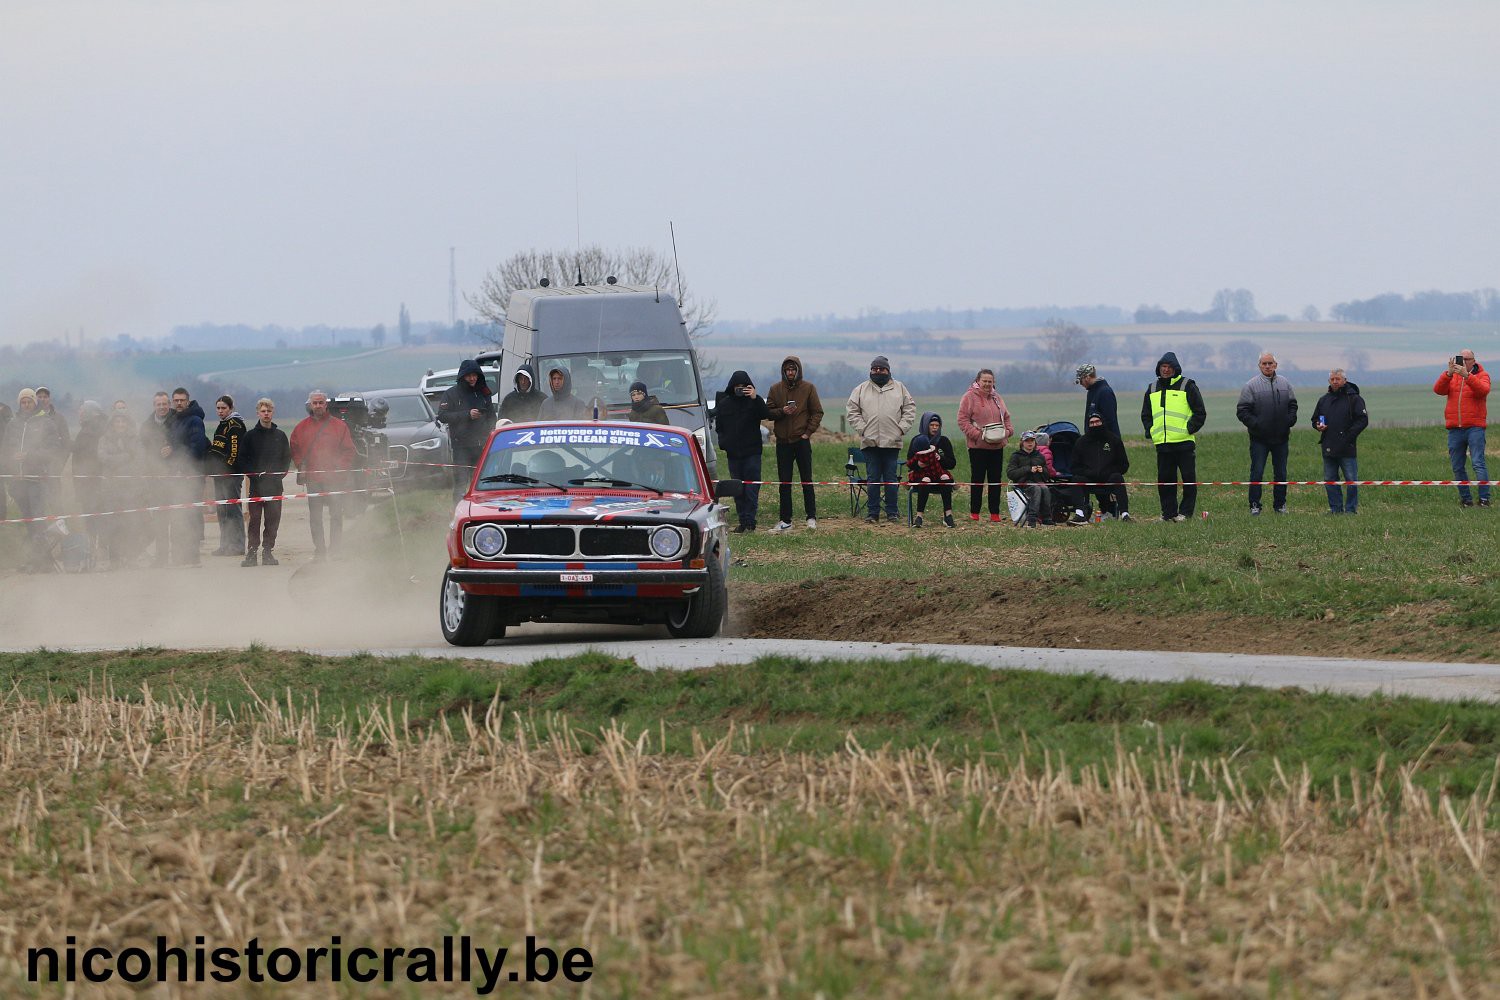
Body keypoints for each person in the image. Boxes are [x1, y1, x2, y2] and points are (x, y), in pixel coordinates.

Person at [2, 389, 67, 571]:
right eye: (23, 402)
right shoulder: (13, 424)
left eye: (29, 401)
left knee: (39, 520)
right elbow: (5, 450)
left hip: (37, 479)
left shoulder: (45, 422)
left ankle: (42, 561)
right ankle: (37, 559)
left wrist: (29, 455)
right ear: (19, 404)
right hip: (18, 481)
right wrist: (10, 463)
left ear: (34, 402)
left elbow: (54, 450)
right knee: (28, 520)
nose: (26, 405)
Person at [846, 356, 916, 524]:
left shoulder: (899, 388)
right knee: (873, 479)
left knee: (891, 479)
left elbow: (910, 409)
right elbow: (852, 411)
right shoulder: (861, 389)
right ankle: (873, 513)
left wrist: (900, 429)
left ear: (888, 370)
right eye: (874, 369)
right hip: (870, 443)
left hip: (892, 443)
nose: (877, 371)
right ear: (870, 370)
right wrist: (863, 429)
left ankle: (892, 512)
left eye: (881, 369)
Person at [291, 389, 357, 561]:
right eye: (315, 403)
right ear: (310, 405)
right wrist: (301, 466)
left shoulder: (339, 426)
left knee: (336, 515)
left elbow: (349, 450)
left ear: (326, 404)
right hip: (313, 480)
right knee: (315, 517)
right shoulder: (300, 427)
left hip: (334, 480)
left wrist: (339, 467)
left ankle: (335, 550)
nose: (318, 405)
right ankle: (319, 551)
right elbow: (295, 449)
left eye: (321, 402)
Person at [1141, 352, 1207, 522]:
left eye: (1169, 367)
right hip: (1162, 444)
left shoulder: (1187, 385)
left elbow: (1200, 412)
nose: (1166, 370)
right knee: (1165, 482)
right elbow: (1146, 414)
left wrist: (1188, 429)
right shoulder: (1152, 388)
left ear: (1175, 369)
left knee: (1188, 480)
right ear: (1159, 368)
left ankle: (1185, 513)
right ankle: (1168, 513)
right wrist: (1151, 431)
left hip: (1184, 442)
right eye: (1163, 367)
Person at [1236, 353, 1298, 515]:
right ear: (1259, 366)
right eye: (1264, 363)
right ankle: (1255, 505)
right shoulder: (1251, 385)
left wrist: (1289, 420)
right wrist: (1257, 425)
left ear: (1276, 365)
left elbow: (1293, 404)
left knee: (1281, 473)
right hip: (1259, 440)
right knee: (1257, 472)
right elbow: (1242, 411)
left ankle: (1280, 505)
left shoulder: (1285, 383)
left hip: (1281, 438)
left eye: (1270, 363)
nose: (1267, 366)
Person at [766, 355, 823, 532]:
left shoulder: (808, 388)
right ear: (783, 371)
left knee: (807, 480)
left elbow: (817, 412)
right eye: (787, 370)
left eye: (793, 369)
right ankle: (785, 520)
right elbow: (768, 412)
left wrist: (807, 433)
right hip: (783, 442)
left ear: (798, 371)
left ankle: (811, 517)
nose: (790, 372)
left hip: (801, 441)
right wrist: (781, 411)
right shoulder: (775, 389)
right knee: (784, 482)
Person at [714, 370, 770, 533]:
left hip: (752, 453)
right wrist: (724, 443)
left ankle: (750, 520)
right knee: (737, 489)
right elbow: (719, 428)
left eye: (743, 386)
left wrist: (755, 397)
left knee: (752, 488)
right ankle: (742, 520)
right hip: (733, 454)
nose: (740, 389)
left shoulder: (754, 402)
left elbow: (765, 414)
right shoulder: (724, 404)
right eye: (737, 386)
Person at [1434, 349, 1490, 508]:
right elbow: (1438, 390)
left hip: (1475, 427)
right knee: (1457, 466)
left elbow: (1483, 391)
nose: (1463, 362)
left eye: (1467, 359)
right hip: (1455, 429)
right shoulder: (1453, 377)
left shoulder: (1482, 375)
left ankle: (1484, 499)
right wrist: (1448, 374)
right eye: (1461, 359)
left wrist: (1467, 376)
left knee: (1478, 463)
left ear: (1474, 360)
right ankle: (1466, 500)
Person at [436, 359, 496, 501]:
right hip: (461, 447)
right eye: (469, 376)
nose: (472, 378)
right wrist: (467, 415)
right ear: (462, 376)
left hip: (482, 446)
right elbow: (442, 416)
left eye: (475, 375)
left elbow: (492, 416)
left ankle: (481, 515)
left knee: (482, 484)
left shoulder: (484, 392)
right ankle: (458, 515)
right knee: (461, 484)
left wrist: (488, 431)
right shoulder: (451, 394)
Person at [241, 398, 291, 565]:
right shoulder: (249, 436)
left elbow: (286, 459)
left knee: (273, 520)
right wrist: (254, 475)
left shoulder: (280, 436)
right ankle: (252, 552)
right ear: (258, 413)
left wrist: (277, 476)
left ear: (273, 412)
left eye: (269, 411)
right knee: (254, 520)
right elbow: (243, 460)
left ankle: (268, 551)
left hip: (275, 487)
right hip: (256, 486)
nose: (266, 413)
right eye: (263, 411)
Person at [956, 369, 1011, 523]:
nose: (987, 384)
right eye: (985, 381)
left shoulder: (997, 398)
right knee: (978, 479)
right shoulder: (968, 397)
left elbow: (1006, 417)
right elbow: (962, 420)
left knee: (995, 480)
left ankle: (995, 513)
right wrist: (978, 436)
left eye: (990, 381)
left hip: (997, 446)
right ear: (978, 381)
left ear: (994, 383)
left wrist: (1008, 432)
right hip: (978, 447)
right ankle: (975, 512)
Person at [1311, 369, 1368, 515]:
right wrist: (1318, 425)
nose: (1335, 381)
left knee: (1351, 480)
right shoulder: (1324, 400)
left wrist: (1349, 436)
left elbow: (1362, 420)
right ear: (1329, 381)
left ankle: (1350, 509)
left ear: (1345, 380)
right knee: (1330, 479)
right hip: (1328, 445)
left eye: (1338, 379)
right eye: (1332, 379)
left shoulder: (1354, 398)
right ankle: (1335, 509)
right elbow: (1315, 419)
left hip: (1347, 447)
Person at [163, 388, 209, 565]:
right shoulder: (174, 421)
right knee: (178, 515)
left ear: (188, 401)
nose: (179, 403)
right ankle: (179, 555)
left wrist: (174, 453)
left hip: (192, 475)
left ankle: (193, 555)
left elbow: (197, 448)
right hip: (177, 476)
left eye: (182, 400)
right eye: (176, 400)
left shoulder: (195, 420)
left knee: (190, 514)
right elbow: (172, 445)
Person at [96, 409, 145, 569]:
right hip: (110, 489)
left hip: (131, 488)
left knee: (132, 524)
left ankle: (131, 558)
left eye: (123, 421)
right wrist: (125, 457)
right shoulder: (104, 439)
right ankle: (114, 560)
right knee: (113, 524)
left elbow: (139, 459)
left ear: (127, 423)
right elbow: (102, 458)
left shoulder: (135, 439)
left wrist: (119, 461)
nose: (120, 424)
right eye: (117, 421)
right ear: (112, 424)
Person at [1070, 411, 1131, 522]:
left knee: (1118, 478)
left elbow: (1124, 465)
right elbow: (1074, 467)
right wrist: (1088, 472)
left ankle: (1125, 514)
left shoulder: (1114, 440)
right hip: (1088, 479)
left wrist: (1109, 471)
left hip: (1109, 478)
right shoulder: (1081, 442)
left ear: (1102, 422)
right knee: (1076, 480)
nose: (1094, 425)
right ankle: (1079, 514)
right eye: (1091, 423)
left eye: (1097, 422)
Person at [206, 396, 247, 556]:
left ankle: (237, 545)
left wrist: (227, 469)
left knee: (233, 510)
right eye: (218, 408)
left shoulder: (235, 425)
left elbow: (234, 451)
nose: (220, 411)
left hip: (231, 475)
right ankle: (225, 545)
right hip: (218, 475)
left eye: (223, 408)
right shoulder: (221, 425)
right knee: (222, 511)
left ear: (231, 408)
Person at [139, 391, 174, 566]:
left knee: (179, 520)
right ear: (154, 406)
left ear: (169, 404)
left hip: (176, 478)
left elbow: (186, 443)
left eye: (164, 404)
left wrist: (173, 449)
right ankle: (161, 558)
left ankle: (180, 557)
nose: (162, 407)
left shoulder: (177, 421)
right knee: (160, 521)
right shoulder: (147, 425)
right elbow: (142, 451)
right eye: (158, 404)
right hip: (155, 480)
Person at [71, 401, 108, 564]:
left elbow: (92, 458)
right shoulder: (91, 430)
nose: (79, 414)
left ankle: (98, 553)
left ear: (90, 413)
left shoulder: (92, 431)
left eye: (82, 411)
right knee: (95, 518)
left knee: (95, 519)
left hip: (92, 484)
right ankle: (96, 552)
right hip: (87, 483)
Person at [906, 412, 956, 528]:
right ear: (925, 425)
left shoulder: (944, 441)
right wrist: (918, 465)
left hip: (938, 474)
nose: (934, 428)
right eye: (932, 425)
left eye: (937, 425)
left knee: (946, 478)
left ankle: (948, 516)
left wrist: (941, 458)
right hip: (921, 476)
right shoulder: (917, 440)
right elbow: (909, 462)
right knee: (925, 480)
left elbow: (952, 463)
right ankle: (919, 517)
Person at [1008, 431, 1053, 527]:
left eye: (1032, 440)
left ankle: (1046, 518)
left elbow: (1047, 475)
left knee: (1045, 489)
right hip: (1022, 484)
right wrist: (1028, 469)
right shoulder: (1016, 456)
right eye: (1027, 441)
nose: (1030, 443)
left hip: (1038, 482)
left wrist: (1042, 471)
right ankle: (1032, 518)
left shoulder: (1040, 456)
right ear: (1022, 442)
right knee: (1036, 489)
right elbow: (1011, 474)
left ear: (1035, 442)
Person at [1075, 364, 1121, 436]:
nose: (1081, 384)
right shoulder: (1091, 392)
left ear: (1087, 377)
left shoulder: (1105, 392)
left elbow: (1110, 421)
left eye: (1081, 381)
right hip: (1094, 441)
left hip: (1106, 442)